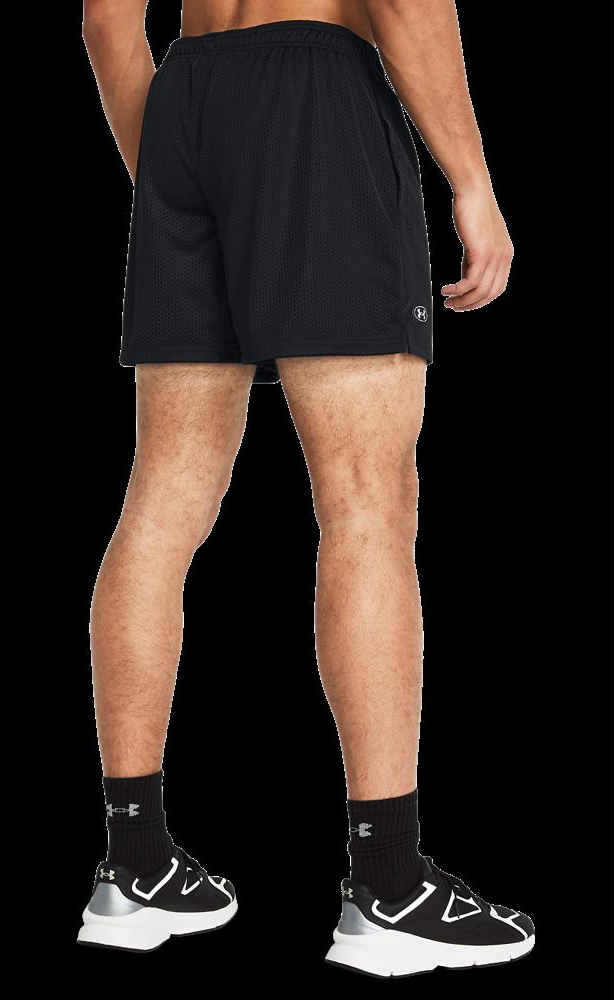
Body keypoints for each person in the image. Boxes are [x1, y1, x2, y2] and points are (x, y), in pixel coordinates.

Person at [79, 0, 532, 974]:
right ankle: (389, 882)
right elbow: (403, 2)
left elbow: (108, 19)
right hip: (316, 100)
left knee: (163, 495)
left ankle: (133, 863)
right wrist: (472, 181)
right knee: (368, 501)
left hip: (186, 100)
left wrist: (178, 174)